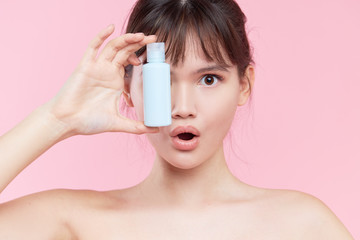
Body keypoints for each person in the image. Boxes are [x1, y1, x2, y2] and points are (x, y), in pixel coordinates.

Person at [0, 0, 353, 238]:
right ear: (128, 89)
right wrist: (57, 118)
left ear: (243, 86)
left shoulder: (301, 225)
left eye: (208, 79)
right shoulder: (75, 222)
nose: (183, 106)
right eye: (161, 80)